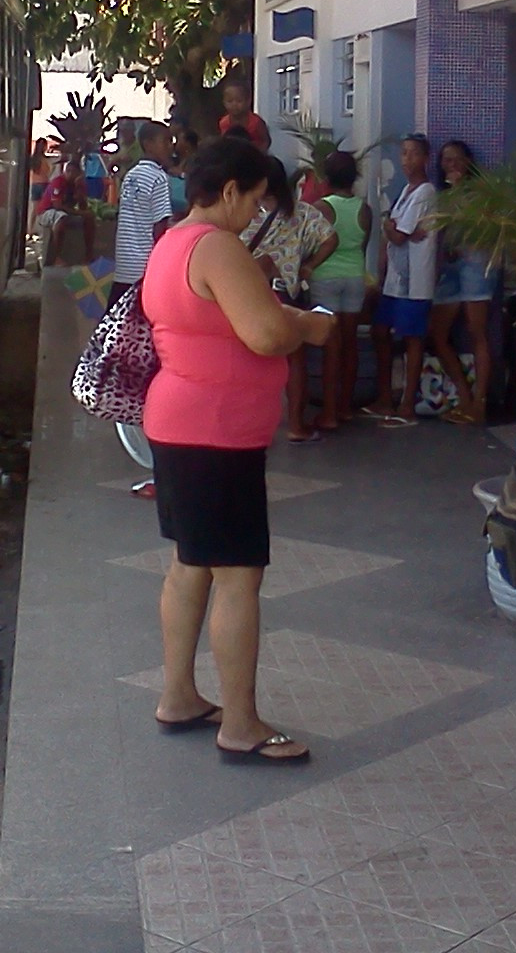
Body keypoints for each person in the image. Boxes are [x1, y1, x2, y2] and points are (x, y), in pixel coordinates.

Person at [141, 137, 334, 764]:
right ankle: (242, 724)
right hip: (214, 431)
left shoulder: (172, 241)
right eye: (254, 199)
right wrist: (309, 323)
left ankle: (179, 695)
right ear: (229, 192)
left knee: (191, 563)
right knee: (237, 575)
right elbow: (267, 331)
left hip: (182, 423)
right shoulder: (216, 246)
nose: (255, 213)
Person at [240, 165, 338, 443]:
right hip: (286, 292)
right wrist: (307, 267)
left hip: (247, 293)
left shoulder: (247, 212)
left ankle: (248, 423)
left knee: (249, 357)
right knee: (295, 360)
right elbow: (331, 239)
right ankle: (296, 424)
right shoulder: (302, 212)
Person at [365, 135, 439, 426]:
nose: (406, 160)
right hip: (395, 281)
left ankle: (407, 402)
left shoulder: (425, 193)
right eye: (404, 154)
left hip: (415, 282)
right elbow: (393, 235)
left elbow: (397, 234)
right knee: (381, 332)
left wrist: (388, 225)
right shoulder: (406, 192)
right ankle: (385, 396)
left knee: (412, 338)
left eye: (413, 154)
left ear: (425, 159)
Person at [426, 140, 490, 424]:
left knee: (477, 331)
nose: (451, 165)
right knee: (438, 334)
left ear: (468, 162)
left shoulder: (480, 193)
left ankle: (480, 402)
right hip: (450, 267)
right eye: (446, 161)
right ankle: (465, 397)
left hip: (476, 263)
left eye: (456, 160)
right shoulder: (441, 194)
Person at [309, 151, 372, 431]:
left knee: (330, 347)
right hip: (355, 277)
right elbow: (362, 244)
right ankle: (346, 407)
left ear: (326, 177)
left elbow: (312, 243)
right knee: (350, 344)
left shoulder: (322, 207)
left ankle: (329, 412)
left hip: (325, 278)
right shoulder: (364, 209)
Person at [111, 121, 176, 306]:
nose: (171, 146)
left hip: (124, 265)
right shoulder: (159, 178)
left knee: (118, 323)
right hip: (145, 266)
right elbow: (160, 225)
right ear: (148, 144)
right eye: (166, 141)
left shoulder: (131, 175)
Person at [216, 77, 272, 150]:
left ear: (248, 101)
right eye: (230, 101)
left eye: (239, 101)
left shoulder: (256, 122)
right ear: (224, 103)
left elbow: (266, 141)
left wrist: (259, 153)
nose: (234, 104)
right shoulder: (223, 123)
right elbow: (225, 143)